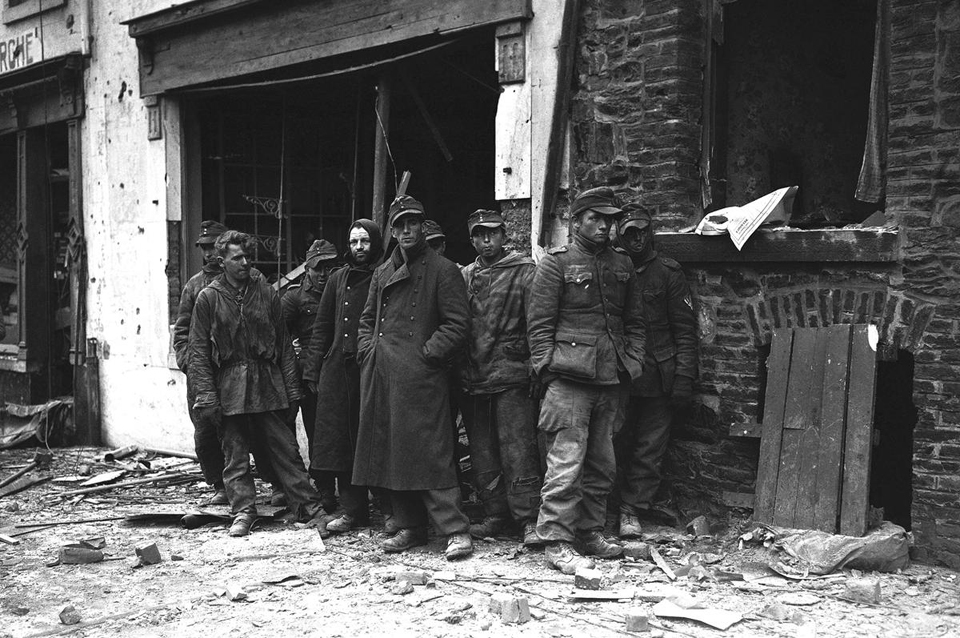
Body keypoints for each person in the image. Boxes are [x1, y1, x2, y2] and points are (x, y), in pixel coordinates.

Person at [527, 186, 646, 573]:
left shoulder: (623, 264)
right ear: (576, 221)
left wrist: (633, 362)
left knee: (602, 464)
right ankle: (557, 539)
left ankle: (590, 532)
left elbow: (634, 323)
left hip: (610, 379)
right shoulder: (556, 264)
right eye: (594, 218)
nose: (603, 226)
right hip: (569, 380)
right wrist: (547, 369)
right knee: (565, 463)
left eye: (609, 220)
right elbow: (539, 326)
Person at [353, 195, 473, 560]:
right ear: (391, 231)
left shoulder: (443, 269)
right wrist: (368, 352)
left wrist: (426, 355)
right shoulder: (382, 273)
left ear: (423, 226)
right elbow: (366, 320)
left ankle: (455, 529)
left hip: (421, 378)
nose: (406, 231)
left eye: (412, 223)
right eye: (399, 225)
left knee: (432, 453)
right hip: (383, 374)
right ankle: (410, 527)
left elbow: (458, 325)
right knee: (393, 452)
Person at [188, 230, 328, 536]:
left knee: (286, 450)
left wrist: (292, 389)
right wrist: (207, 397)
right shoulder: (208, 298)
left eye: (247, 256)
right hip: (230, 386)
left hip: (267, 382)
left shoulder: (265, 292)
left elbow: (283, 342)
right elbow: (198, 352)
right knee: (234, 453)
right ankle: (243, 511)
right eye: (237, 257)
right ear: (221, 260)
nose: (245, 262)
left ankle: (310, 508)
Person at [173, 221, 281, 506]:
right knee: (207, 435)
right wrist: (192, 368)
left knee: (257, 432)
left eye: (212, 246)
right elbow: (183, 334)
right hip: (206, 375)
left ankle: (275, 482)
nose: (208, 253)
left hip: (243, 372)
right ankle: (220, 486)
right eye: (204, 248)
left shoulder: (252, 279)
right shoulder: (194, 287)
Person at [458, 209, 543, 546]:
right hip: (474, 378)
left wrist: (537, 364)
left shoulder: (525, 272)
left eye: (492, 233)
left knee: (518, 449)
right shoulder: (464, 276)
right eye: (480, 234)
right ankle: (496, 513)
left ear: (504, 235)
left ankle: (528, 519)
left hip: (511, 374)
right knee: (483, 451)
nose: (487, 240)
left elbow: (538, 321)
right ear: (472, 239)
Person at [614, 204, 698, 537]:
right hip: (619, 375)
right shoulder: (612, 270)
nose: (637, 239)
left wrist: (683, 378)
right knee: (613, 443)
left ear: (652, 231)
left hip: (659, 376)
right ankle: (606, 510)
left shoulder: (668, 273)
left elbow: (685, 331)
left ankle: (630, 510)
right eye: (629, 232)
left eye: (642, 231)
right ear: (621, 235)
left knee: (649, 449)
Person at [301, 219, 387, 536]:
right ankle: (353, 512)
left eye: (365, 241)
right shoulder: (337, 279)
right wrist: (313, 370)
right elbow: (322, 327)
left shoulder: (385, 274)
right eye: (354, 242)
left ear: (374, 242)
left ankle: (389, 511)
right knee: (340, 443)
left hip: (371, 369)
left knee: (375, 439)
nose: (359, 248)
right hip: (339, 370)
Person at [281, 239, 339, 510]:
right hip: (311, 377)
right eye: (318, 268)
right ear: (307, 269)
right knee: (319, 436)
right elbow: (279, 337)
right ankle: (325, 489)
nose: (324, 274)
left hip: (341, 371)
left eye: (329, 267)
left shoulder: (341, 291)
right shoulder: (294, 298)